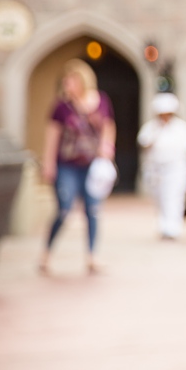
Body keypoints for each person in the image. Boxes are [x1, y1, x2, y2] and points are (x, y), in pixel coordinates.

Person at [39, 59, 114, 275]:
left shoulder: (100, 101)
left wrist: (106, 148)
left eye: (70, 80)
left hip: (92, 165)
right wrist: (49, 164)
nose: (67, 84)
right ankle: (46, 253)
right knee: (64, 209)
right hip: (67, 165)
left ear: (82, 80)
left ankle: (92, 256)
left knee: (93, 210)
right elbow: (52, 136)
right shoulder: (61, 107)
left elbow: (109, 128)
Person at [137, 93, 186, 240]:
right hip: (156, 169)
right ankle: (164, 226)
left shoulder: (182, 128)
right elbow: (143, 145)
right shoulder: (151, 127)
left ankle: (173, 228)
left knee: (174, 197)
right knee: (160, 198)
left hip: (177, 168)